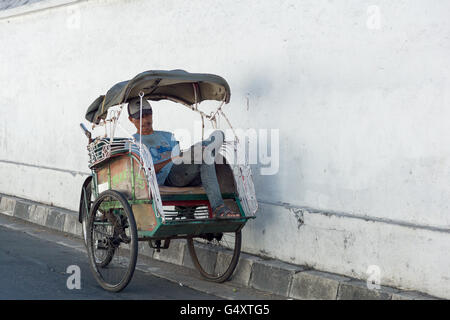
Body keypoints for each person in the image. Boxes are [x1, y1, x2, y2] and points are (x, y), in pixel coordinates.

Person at [127, 97, 240, 218]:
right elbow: (143, 170)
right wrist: (173, 159)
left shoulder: (167, 136)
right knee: (202, 153)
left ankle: (202, 150)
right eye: (140, 117)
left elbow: (181, 159)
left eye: (148, 114)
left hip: (184, 171)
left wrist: (185, 155)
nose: (145, 119)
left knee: (218, 135)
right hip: (167, 179)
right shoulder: (132, 142)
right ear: (131, 119)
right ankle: (218, 208)